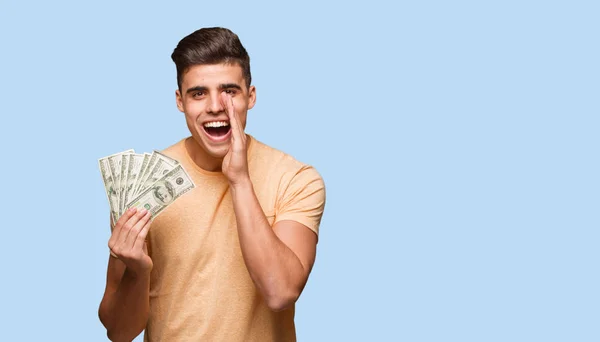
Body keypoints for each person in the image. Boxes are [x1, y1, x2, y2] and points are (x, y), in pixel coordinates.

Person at [98, 27, 326, 342]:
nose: (216, 106)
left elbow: (280, 292)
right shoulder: (143, 185)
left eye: (229, 91)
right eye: (198, 93)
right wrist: (137, 271)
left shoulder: (297, 179)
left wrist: (240, 180)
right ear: (180, 101)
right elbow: (119, 332)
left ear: (251, 96)